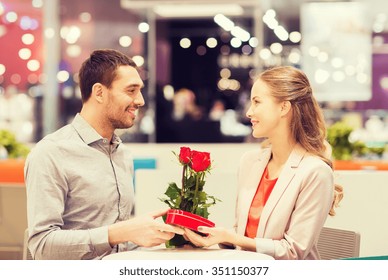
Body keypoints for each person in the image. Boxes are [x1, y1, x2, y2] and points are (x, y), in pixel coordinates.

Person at [24, 49, 183, 260]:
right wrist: (120, 232)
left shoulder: (122, 154)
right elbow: (42, 246)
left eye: (140, 90)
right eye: (131, 90)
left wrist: (164, 240)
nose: (140, 100)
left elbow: (117, 245)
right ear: (99, 92)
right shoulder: (51, 153)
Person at [183, 66, 343, 260]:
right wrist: (215, 236)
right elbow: (244, 235)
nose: (249, 112)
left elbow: (293, 252)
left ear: (284, 107)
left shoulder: (315, 172)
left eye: (257, 102)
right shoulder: (250, 162)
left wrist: (233, 238)